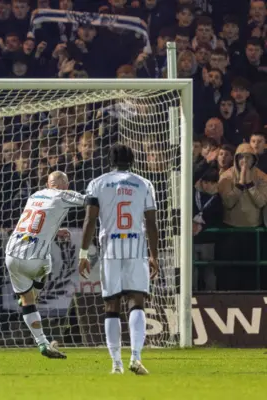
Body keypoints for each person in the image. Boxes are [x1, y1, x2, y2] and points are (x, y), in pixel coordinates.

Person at [78, 144, 159, 375]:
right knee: (137, 301)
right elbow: (151, 223)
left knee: (111, 304)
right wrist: (154, 254)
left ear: (109, 161)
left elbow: (90, 220)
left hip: (110, 249)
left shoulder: (97, 183)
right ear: (132, 161)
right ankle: (136, 357)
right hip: (136, 247)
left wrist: (83, 254)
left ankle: (116, 364)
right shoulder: (144, 184)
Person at [5, 171, 85, 359]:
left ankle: (42, 343)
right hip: (34, 258)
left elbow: (36, 222)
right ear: (65, 184)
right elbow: (90, 200)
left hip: (11, 254)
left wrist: (56, 230)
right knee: (46, 263)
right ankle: (34, 294)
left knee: (27, 301)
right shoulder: (63, 194)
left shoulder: (35, 195)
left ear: (48, 184)